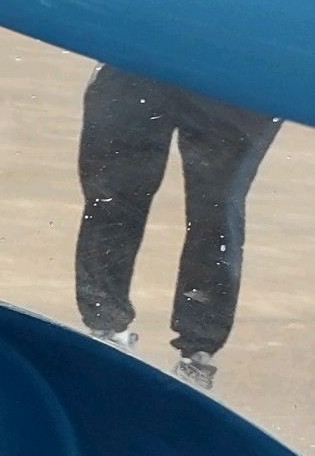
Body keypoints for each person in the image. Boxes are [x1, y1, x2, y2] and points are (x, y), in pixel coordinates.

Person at [74, 66, 283, 391]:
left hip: (238, 72)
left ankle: (198, 354)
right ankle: (106, 328)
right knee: (113, 198)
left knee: (217, 212)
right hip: (144, 61)